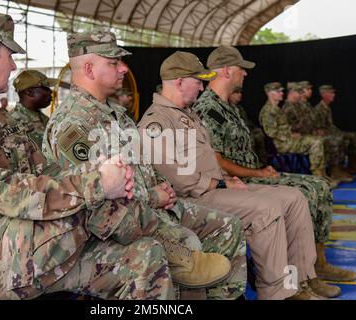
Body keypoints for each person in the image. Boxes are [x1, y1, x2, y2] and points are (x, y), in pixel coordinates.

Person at [0, 10, 174, 300]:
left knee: (144, 260)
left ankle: (160, 237)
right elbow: (3, 191)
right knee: (86, 208)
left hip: (20, 246)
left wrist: (99, 175)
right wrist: (98, 184)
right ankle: (163, 232)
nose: (14, 65)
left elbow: (47, 170)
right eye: (9, 55)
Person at [43, 32, 247, 300]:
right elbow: (98, 212)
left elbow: (141, 167)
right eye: (114, 63)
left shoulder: (115, 114)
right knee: (187, 242)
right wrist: (153, 198)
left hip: (148, 206)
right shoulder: (74, 126)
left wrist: (158, 187)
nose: (124, 68)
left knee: (228, 225)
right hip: (110, 228)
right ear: (90, 68)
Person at [138, 50, 322, 300]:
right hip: (191, 199)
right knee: (265, 209)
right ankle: (277, 293)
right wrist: (224, 181)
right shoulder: (156, 122)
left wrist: (228, 179)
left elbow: (205, 160)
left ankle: (299, 282)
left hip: (214, 188)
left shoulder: (187, 114)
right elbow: (180, 180)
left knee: (293, 199)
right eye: (198, 81)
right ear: (179, 81)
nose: (202, 88)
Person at [190, 51, 356, 297]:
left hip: (250, 173)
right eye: (241, 68)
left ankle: (312, 269)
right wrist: (257, 171)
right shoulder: (208, 108)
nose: (245, 73)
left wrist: (260, 169)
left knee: (319, 185)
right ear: (226, 71)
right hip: (237, 180)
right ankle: (296, 282)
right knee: (307, 193)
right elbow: (218, 161)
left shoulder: (229, 107)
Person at [283, 82, 351, 182]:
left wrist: (315, 130)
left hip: (308, 135)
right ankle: (323, 175)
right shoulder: (289, 108)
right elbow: (291, 127)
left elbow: (310, 123)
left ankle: (334, 171)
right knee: (328, 141)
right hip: (298, 138)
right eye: (299, 91)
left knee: (336, 139)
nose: (301, 94)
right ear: (292, 92)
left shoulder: (302, 106)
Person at [314, 85, 356, 173]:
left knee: (355, 136)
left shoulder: (326, 107)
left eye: (333, 92)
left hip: (332, 132)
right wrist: (336, 133)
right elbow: (320, 128)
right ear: (324, 94)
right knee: (341, 139)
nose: (333, 95)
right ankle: (337, 171)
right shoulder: (319, 109)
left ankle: (353, 164)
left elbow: (330, 126)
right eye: (331, 93)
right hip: (326, 135)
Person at [10, 70, 55, 149]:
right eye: (45, 88)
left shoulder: (43, 118)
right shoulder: (12, 122)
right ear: (29, 92)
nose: (51, 91)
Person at [229, 86, 268, 166]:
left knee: (258, 134)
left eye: (240, 93)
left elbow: (247, 122)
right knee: (250, 138)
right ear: (230, 94)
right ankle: (250, 164)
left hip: (246, 131)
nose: (239, 95)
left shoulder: (239, 108)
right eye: (236, 93)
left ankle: (262, 163)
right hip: (236, 134)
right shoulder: (227, 108)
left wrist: (255, 129)